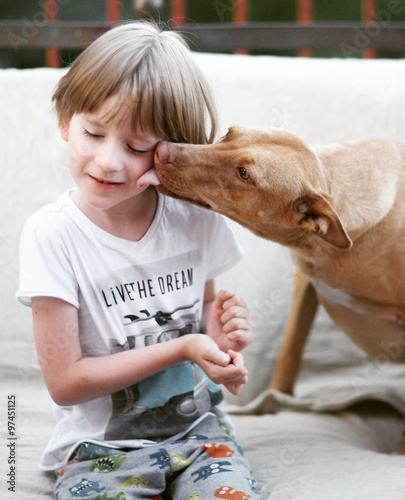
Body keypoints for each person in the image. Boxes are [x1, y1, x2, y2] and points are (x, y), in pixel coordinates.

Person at [17, 21, 260, 500]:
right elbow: (66, 384)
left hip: (200, 435)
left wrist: (222, 340)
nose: (109, 161)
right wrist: (185, 347)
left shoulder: (196, 218)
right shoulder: (52, 235)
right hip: (100, 450)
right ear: (66, 122)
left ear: (172, 154)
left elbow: (203, 317)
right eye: (93, 132)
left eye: (138, 147)